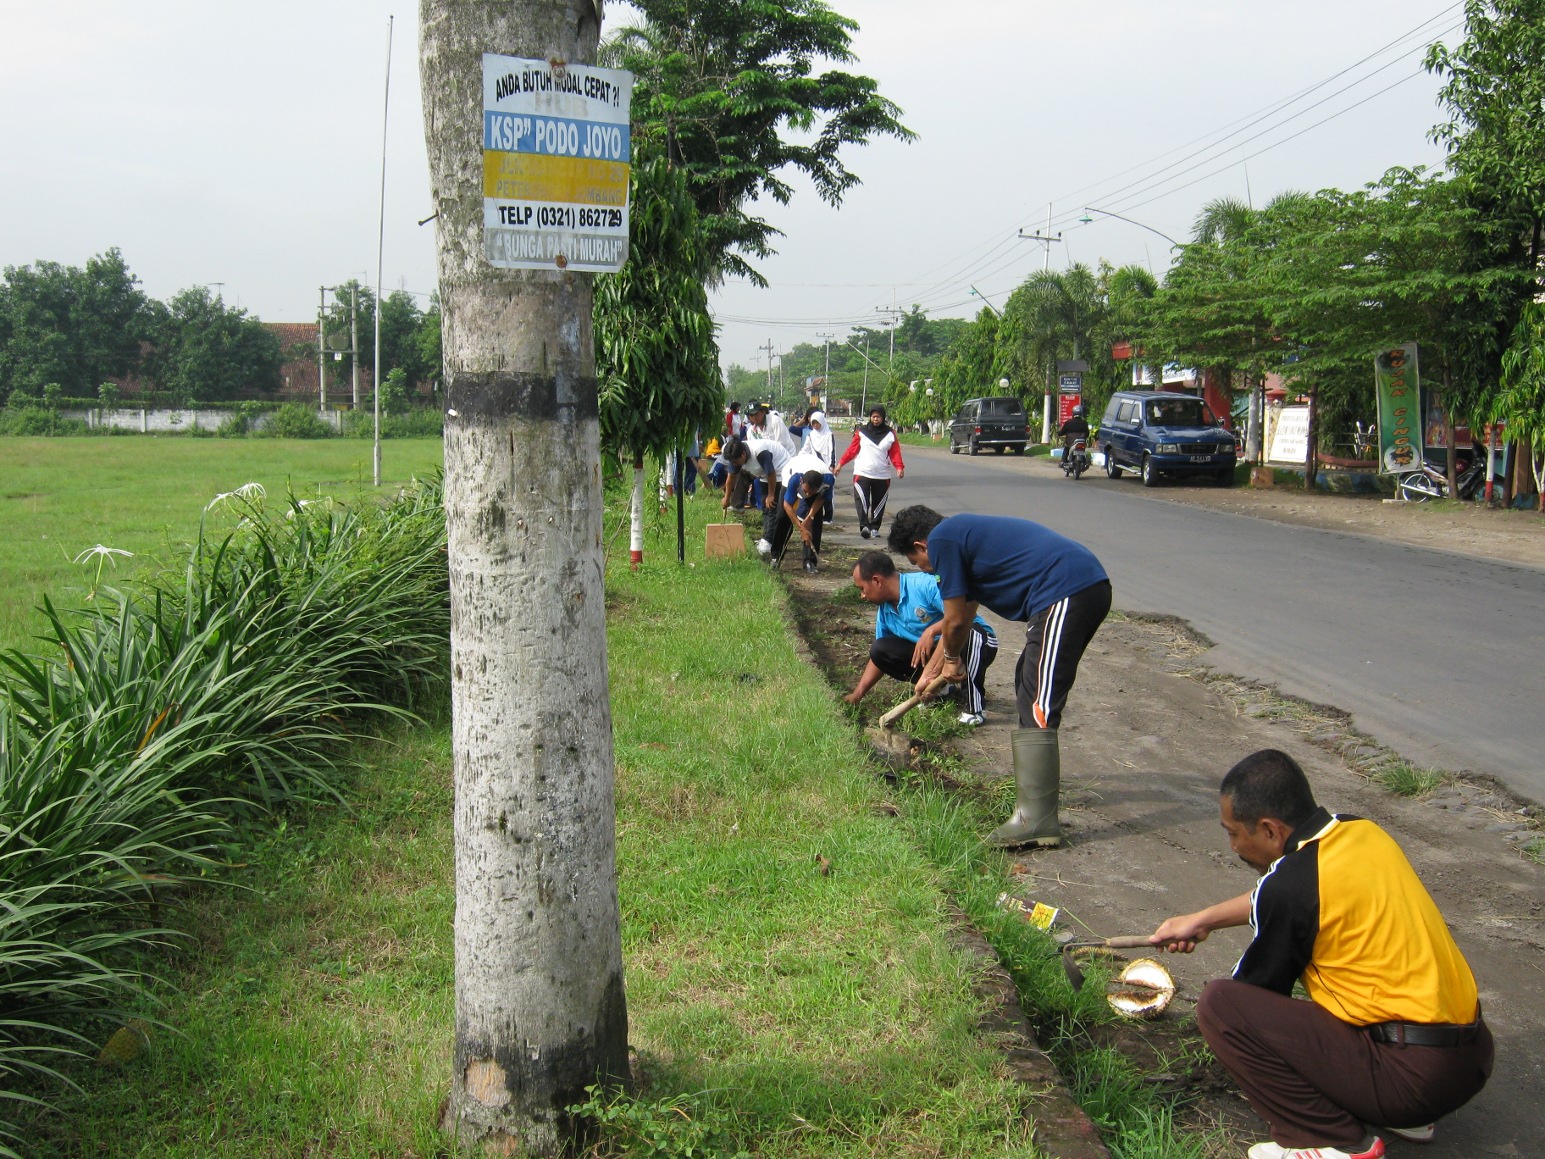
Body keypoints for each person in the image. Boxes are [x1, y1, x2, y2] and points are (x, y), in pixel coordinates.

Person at [1148, 749, 1492, 1159]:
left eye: (1233, 832)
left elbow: (1253, 995)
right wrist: (1203, 919)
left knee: (1222, 1006)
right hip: (1469, 1061)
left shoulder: (1294, 887)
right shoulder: (1359, 832)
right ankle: (1398, 1113)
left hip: (1411, 1081)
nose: (1233, 845)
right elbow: (1282, 891)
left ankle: (1333, 1140)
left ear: (1270, 830)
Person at [886, 505, 1110, 847]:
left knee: (1038, 696)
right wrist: (942, 664)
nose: (925, 570)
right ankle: (1033, 809)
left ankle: (1036, 820)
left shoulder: (944, 540)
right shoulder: (959, 537)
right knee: (1027, 680)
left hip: (1067, 589)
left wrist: (949, 660)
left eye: (917, 563)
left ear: (921, 546)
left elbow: (957, 623)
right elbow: (963, 613)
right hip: (1073, 588)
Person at [844, 550, 996, 725]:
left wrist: (931, 631)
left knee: (970, 633)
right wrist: (857, 695)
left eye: (862, 588)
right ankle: (941, 689)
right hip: (938, 659)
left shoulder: (924, 585)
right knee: (881, 649)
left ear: (877, 580)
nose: (862, 596)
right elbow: (878, 659)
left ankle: (974, 707)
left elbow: (961, 615)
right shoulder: (885, 611)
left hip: (974, 643)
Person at [836, 404, 905, 539]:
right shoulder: (861, 432)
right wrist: (840, 464)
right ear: (870, 417)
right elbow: (852, 450)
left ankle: (874, 528)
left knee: (879, 503)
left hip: (882, 474)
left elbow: (895, 452)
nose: (875, 419)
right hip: (862, 473)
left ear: (883, 417)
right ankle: (865, 526)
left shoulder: (890, 434)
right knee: (862, 501)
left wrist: (899, 467)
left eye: (878, 417)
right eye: (873, 417)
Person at [721, 435, 793, 558]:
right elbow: (731, 477)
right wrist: (727, 498)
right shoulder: (735, 454)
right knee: (765, 507)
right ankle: (767, 539)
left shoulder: (760, 452)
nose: (735, 464)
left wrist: (771, 495)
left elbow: (771, 473)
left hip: (781, 470)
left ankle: (768, 542)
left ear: (743, 455)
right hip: (765, 474)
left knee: (772, 506)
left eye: (736, 462)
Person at [766, 457, 833, 572]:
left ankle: (810, 561)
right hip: (791, 471)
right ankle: (776, 556)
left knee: (815, 522)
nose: (807, 494)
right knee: (782, 517)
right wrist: (801, 528)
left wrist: (810, 517)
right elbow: (787, 505)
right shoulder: (795, 479)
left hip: (817, 477)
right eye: (805, 491)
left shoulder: (828, 479)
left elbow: (822, 498)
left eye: (811, 492)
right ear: (802, 482)